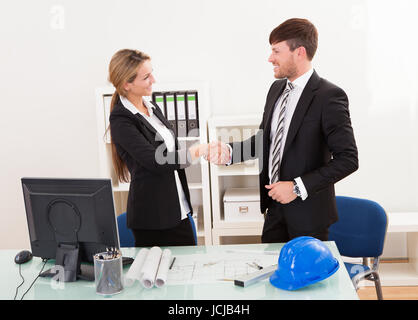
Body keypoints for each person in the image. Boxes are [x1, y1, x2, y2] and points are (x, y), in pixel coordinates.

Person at [207, 18, 358, 243]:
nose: (270, 58)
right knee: (270, 274)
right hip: (274, 211)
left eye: (276, 51)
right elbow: (265, 141)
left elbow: (348, 159)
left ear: (299, 52)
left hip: (309, 218)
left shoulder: (329, 96)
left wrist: (297, 187)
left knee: (307, 279)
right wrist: (229, 152)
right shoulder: (276, 89)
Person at [107, 49, 208, 247]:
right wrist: (196, 151)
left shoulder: (151, 107)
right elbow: (155, 160)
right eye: (146, 77)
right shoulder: (122, 119)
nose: (153, 79)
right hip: (153, 218)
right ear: (127, 84)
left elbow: (169, 149)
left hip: (178, 209)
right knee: (159, 275)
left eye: (151, 72)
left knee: (188, 270)